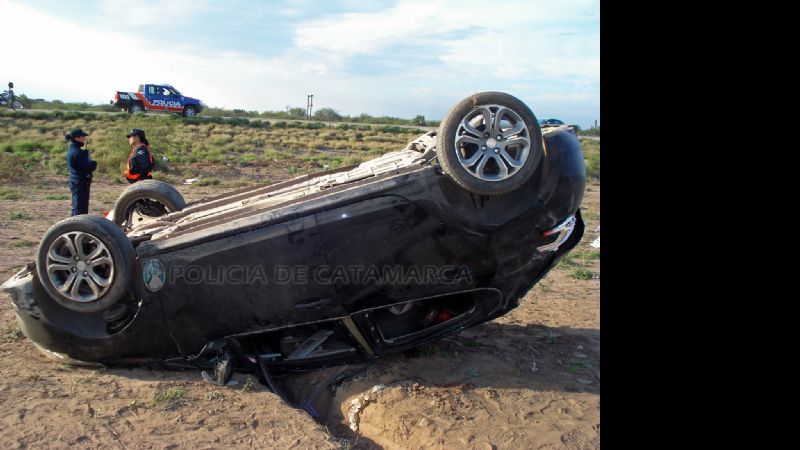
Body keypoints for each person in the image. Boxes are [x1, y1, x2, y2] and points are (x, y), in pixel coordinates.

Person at [65, 128, 97, 216]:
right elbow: (89, 167)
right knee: (80, 210)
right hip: (80, 182)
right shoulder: (78, 152)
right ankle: (76, 227)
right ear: (77, 138)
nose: (84, 138)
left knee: (76, 206)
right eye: (82, 136)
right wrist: (93, 162)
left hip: (76, 181)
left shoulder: (73, 150)